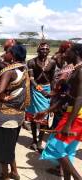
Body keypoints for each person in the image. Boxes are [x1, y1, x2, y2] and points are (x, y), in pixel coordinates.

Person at [37, 43, 82, 180]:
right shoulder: (75, 70)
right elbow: (68, 97)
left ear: (75, 53)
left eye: (68, 51)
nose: (64, 54)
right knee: (67, 151)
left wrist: (68, 124)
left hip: (76, 116)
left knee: (54, 148)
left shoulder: (80, 71)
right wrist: (47, 111)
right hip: (72, 113)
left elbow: (80, 98)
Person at [0, 44, 30, 180]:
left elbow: (0, 90)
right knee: (10, 145)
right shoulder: (23, 68)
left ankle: (5, 177)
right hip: (18, 114)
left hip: (7, 116)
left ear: (12, 55)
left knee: (3, 148)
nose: (4, 54)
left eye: (7, 52)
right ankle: (15, 172)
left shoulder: (9, 71)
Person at [26, 42, 56, 152]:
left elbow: (52, 79)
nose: (44, 51)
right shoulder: (31, 62)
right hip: (36, 90)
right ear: (38, 51)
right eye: (42, 49)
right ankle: (34, 140)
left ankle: (40, 142)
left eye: (46, 49)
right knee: (34, 118)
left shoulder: (52, 62)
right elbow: (31, 79)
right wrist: (40, 90)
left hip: (47, 91)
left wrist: (52, 92)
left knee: (44, 118)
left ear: (49, 51)